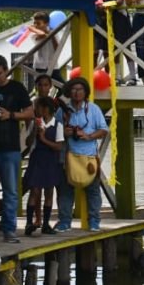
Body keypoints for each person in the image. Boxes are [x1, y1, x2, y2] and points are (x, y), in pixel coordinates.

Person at [0, 54, 34, 243]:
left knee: (11, 190)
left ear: (6, 70)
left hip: (10, 147)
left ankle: (9, 229)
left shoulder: (16, 88)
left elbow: (31, 112)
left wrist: (11, 115)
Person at [55, 78, 108, 233]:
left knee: (93, 191)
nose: (77, 92)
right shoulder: (62, 111)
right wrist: (64, 132)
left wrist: (89, 136)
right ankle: (64, 221)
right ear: (69, 92)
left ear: (85, 92)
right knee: (65, 191)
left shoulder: (93, 109)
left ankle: (94, 221)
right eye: (74, 89)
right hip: (68, 156)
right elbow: (56, 133)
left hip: (89, 157)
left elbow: (104, 130)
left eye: (80, 89)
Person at [23, 96, 63, 236]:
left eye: (38, 107)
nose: (36, 110)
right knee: (34, 190)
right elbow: (28, 143)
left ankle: (46, 223)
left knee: (49, 191)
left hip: (50, 159)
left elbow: (58, 146)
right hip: (37, 158)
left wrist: (44, 139)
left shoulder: (57, 125)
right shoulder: (36, 124)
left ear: (45, 109)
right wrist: (35, 132)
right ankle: (29, 222)